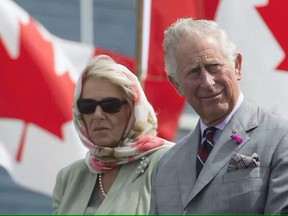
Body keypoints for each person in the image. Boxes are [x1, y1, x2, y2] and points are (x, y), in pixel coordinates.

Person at [149, 18, 288, 214]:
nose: (207, 82)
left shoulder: (281, 138)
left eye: (214, 66)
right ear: (176, 84)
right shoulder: (166, 164)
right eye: (194, 72)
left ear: (237, 66)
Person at [52, 54, 174, 214]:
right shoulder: (69, 177)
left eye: (110, 105)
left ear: (132, 110)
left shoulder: (168, 161)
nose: (97, 115)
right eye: (87, 106)